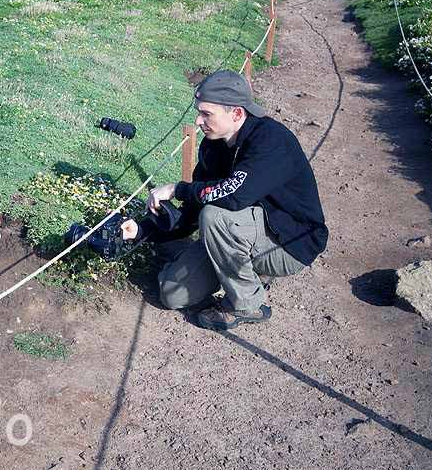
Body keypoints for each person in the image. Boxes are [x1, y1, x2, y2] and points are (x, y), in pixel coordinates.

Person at [121, 70, 328, 331]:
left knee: (215, 215)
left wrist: (178, 189)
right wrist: (143, 230)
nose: (198, 121)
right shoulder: (213, 144)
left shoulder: (272, 141)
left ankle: (248, 304)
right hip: (240, 231)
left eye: (207, 114)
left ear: (237, 114)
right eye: (199, 112)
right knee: (171, 293)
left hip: (288, 243)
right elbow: (195, 206)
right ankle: (242, 268)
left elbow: (232, 195)